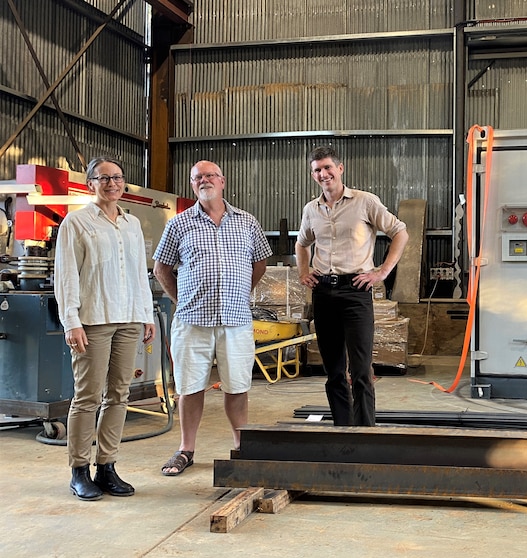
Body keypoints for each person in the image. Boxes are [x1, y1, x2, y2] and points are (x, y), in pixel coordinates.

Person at [153, 160, 272, 476]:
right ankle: (186, 449)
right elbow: (161, 268)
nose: (204, 180)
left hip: (236, 320)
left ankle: (241, 446)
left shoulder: (246, 222)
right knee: (189, 387)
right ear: (192, 185)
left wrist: (240, 290)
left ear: (222, 181)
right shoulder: (178, 225)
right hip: (192, 322)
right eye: (197, 177)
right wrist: (182, 301)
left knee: (237, 386)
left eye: (209, 175)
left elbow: (260, 262)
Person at [55, 157, 156, 501]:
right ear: (90, 183)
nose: (112, 183)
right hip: (93, 320)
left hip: (128, 318)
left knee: (119, 394)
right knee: (87, 397)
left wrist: (147, 315)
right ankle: (79, 470)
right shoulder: (77, 222)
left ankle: (107, 466)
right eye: (104, 178)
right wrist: (71, 321)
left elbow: (139, 273)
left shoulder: (131, 223)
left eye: (117, 178)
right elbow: (67, 275)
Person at [296, 146, 408, 426]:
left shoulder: (365, 202)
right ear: (313, 175)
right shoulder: (312, 209)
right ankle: (342, 430)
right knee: (333, 371)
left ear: (340, 168)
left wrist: (382, 271)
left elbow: (400, 232)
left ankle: (365, 432)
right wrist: (303, 271)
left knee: (360, 370)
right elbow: (302, 243)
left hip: (355, 292)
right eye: (317, 170)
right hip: (323, 293)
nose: (323, 174)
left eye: (327, 168)